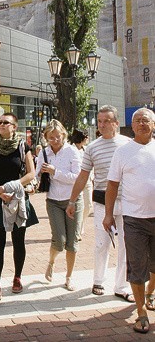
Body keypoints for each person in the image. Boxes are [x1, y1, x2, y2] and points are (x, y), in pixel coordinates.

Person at [67, 106, 133, 301]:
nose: (101, 125)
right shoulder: (93, 147)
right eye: (99, 121)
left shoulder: (127, 144)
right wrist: (72, 200)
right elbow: (83, 176)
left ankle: (122, 285)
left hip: (127, 201)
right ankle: (98, 280)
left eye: (106, 121)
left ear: (115, 123)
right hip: (102, 201)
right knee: (101, 243)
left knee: (125, 245)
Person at [104, 108, 155, 334]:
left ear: (153, 124)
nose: (142, 123)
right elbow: (112, 185)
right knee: (136, 265)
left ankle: (150, 292)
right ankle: (141, 311)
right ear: (131, 126)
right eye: (137, 120)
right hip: (134, 218)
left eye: (146, 120)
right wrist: (107, 215)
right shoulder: (123, 152)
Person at [0, 113, 36, 301]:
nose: (1, 124)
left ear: (14, 126)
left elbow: (31, 173)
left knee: (18, 241)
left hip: (17, 198)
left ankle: (17, 278)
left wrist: (13, 186)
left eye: (5, 122)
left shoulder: (23, 146)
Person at [36, 119, 82, 291]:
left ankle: (69, 277)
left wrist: (55, 172)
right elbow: (37, 174)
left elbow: (77, 177)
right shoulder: (44, 153)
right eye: (51, 138)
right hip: (54, 200)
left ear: (63, 135)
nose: (55, 141)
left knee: (72, 242)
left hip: (73, 199)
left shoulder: (72, 151)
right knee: (59, 240)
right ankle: (52, 261)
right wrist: (38, 176)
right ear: (46, 138)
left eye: (57, 137)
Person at [69, 129, 93, 235]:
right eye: (86, 136)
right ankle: (76, 228)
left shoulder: (87, 150)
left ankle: (80, 224)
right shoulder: (70, 149)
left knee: (88, 205)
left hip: (87, 181)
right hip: (75, 182)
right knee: (78, 205)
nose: (87, 139)